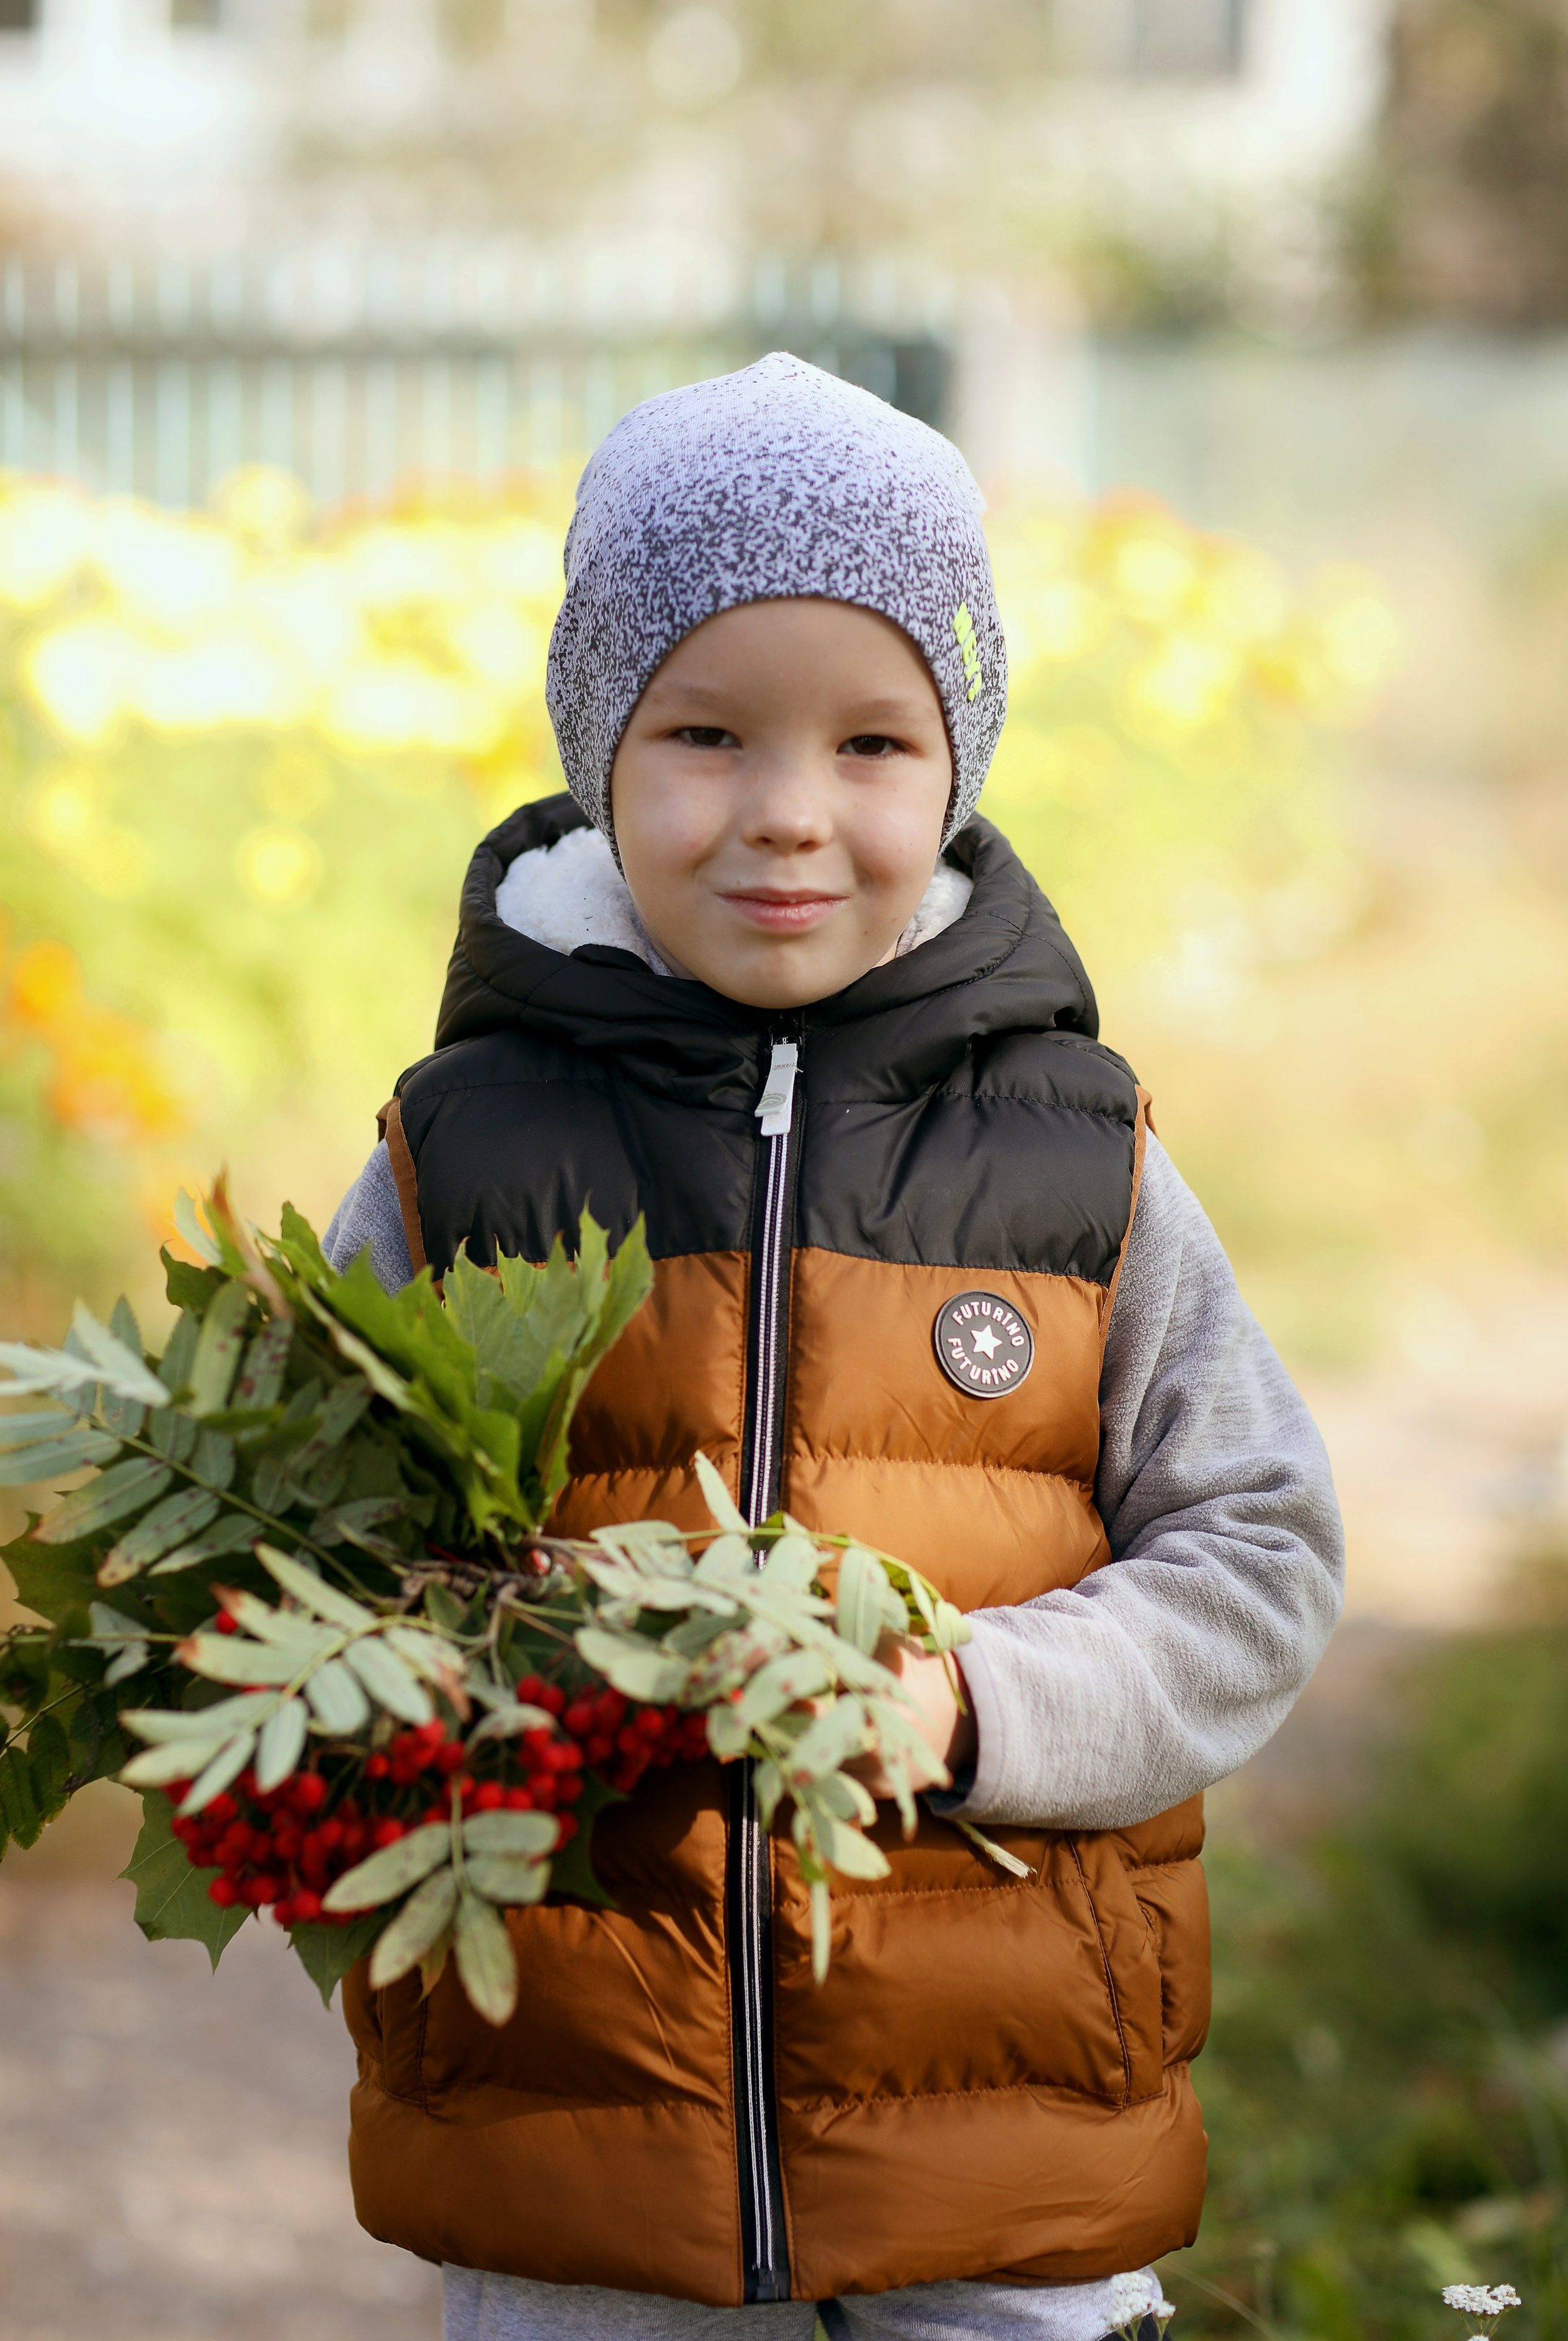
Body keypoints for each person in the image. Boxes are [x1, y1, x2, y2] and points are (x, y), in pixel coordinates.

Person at [323, 353, 1344, 2341]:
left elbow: (1262, 1553)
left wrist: (972, 1709)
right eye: (706, 730)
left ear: (957, 765)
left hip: (1007, 2142)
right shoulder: (456, 1162)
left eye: (874, 744)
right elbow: (312, 1570)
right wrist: (472, 1662)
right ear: (599, 743)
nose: (789, 816)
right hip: (577, 2142)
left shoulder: (1083, 1164)